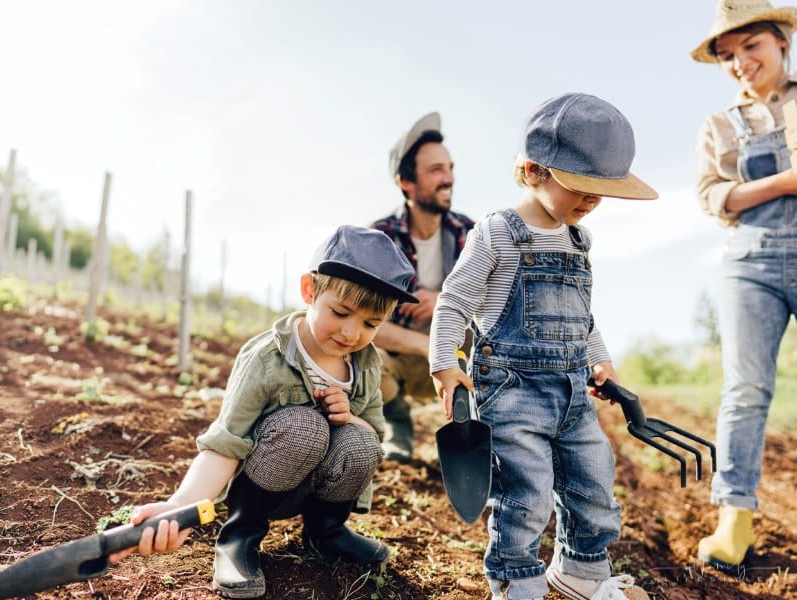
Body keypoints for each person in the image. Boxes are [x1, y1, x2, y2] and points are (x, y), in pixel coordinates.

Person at [429, 93, 657, 600]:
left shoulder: (580, 241)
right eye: (582, 189)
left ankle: (580, 571)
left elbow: (583, 314)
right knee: (524, 492)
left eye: (602, 192)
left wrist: (602, 361)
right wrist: (446, 365)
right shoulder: (497, 234)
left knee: (594, 483)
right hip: (511, 391)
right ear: (534, 170)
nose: (592, 202)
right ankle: (516, 580)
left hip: (574, 391)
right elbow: (454, 303)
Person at [109, 225, 418, 599]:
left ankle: (326, 531)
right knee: (305, 426)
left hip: (321, 488)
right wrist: (179, 507)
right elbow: (225, 443)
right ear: (310, 291)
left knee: (360, 442)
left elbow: (375, 434)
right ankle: (240, 535)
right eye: (341, 312)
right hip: (264, 484)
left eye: (371, 324)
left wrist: (351, 418)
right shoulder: (266, 359)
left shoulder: (366, 365)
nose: (352, 333)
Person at [691, 0, 797, 573]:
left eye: (751, 46)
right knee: (747, 388)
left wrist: (749, 189)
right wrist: (786, 181)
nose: (739, 63)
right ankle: (735, 517)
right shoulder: (719, 125)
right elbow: (712, 198)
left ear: (782, 41)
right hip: (748, 263)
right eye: (727, 56)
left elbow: (733, 193)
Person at [371, 111, 475, 463]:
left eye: (449, 168)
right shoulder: (379, 239)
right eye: (435, 171)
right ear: (407, 183)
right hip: (403, 359)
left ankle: (478, 432)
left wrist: (446, 302)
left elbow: (500, 306)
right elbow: (359, 323)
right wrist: (428, 346)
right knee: (359, 356)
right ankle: (395, 421)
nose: (448, 179)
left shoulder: (472, 235)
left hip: (462, 358)